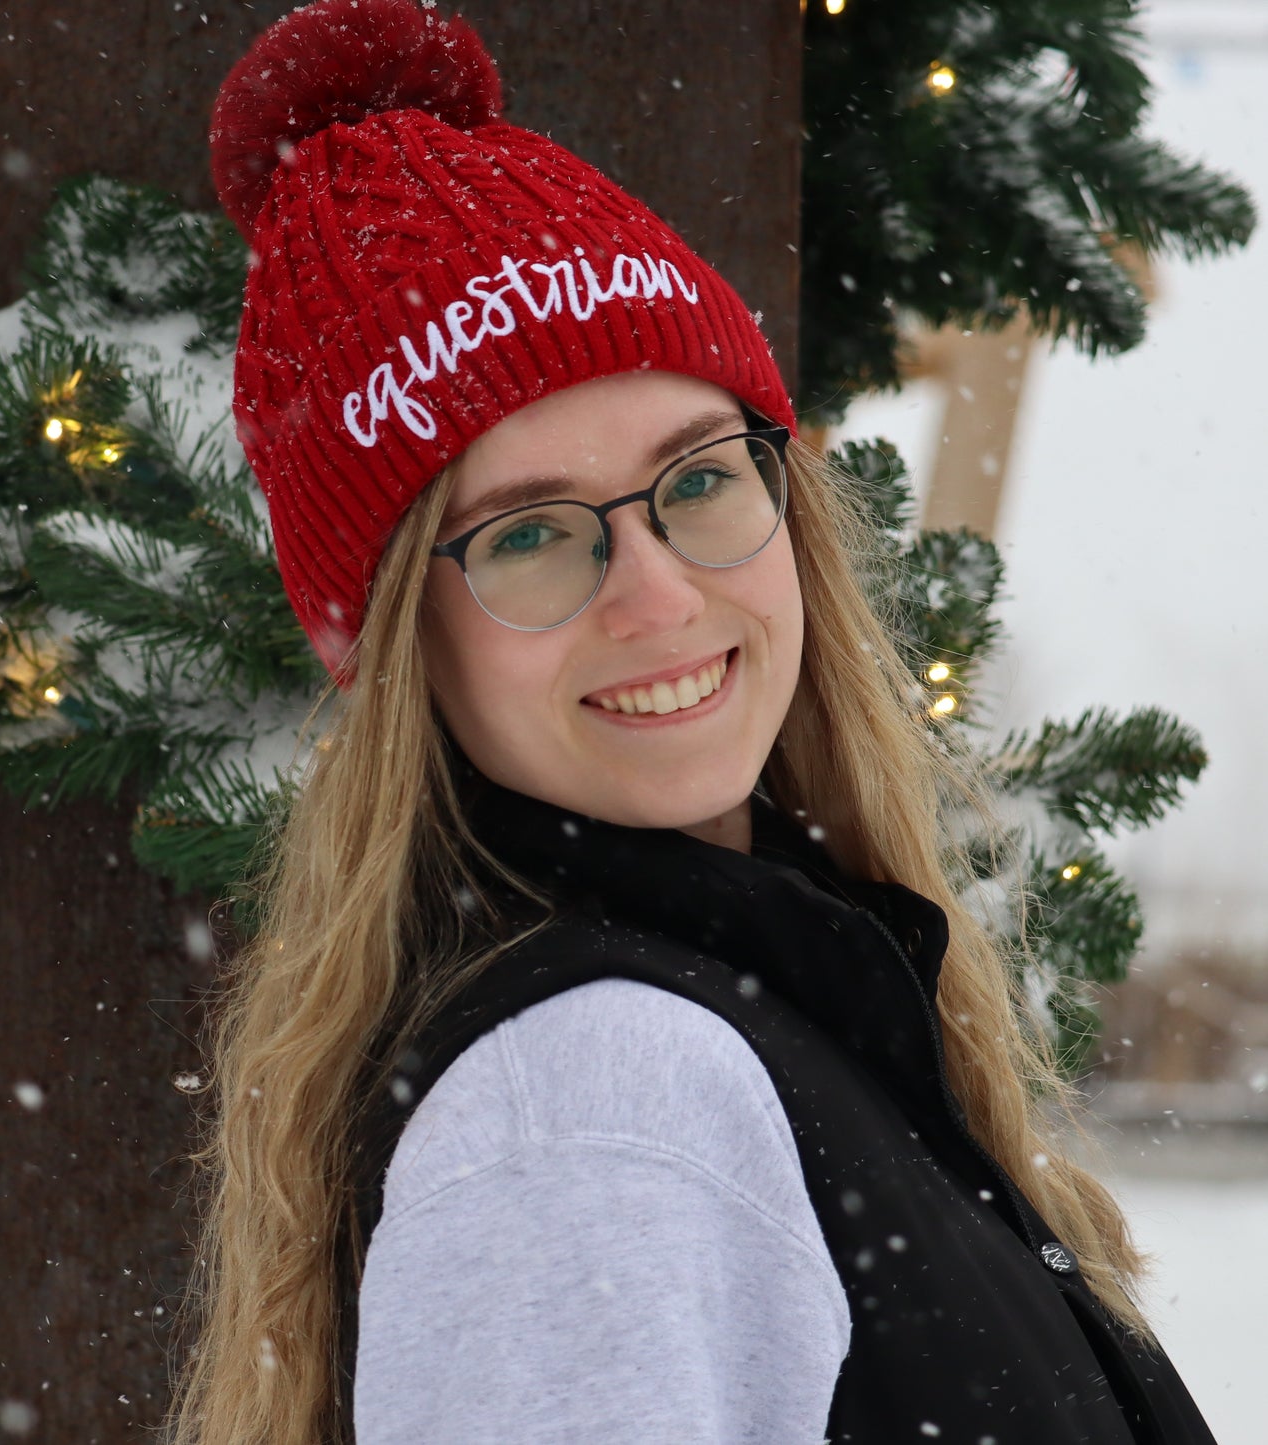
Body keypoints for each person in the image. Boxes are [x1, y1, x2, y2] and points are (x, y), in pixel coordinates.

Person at [171, 2, 1218, 1442]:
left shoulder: (781, 986)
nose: (658, 595)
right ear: (402, 645)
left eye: (698, 478)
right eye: (531, 534)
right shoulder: (587, 1111)